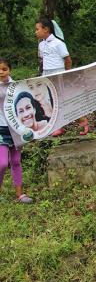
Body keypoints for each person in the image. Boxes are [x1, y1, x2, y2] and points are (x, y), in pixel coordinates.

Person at [36, 18, 89, 135]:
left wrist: (67, 74)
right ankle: (58, 126)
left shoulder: (58, 43)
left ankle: (82, 120)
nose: (36, 32)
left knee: (64, 99)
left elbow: (68, 59)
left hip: (59, 74)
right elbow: (43, 60)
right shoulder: (41, 45)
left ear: (46, 29)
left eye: (37, 29)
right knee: (51, 100)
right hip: (47, 74)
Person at [0, 58, 33, 203]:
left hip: (16, 128)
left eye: (4, 69)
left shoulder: (16, 86)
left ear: (10, 70)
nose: (1, 72)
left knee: (16, 160)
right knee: (2, 163)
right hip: (0, 127)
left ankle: (20, 194)